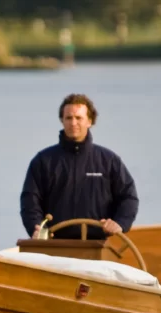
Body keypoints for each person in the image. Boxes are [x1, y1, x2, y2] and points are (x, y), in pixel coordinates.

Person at [20, 93, 139, 241]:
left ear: (89, 121)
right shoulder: (43, 161)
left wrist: (119, 223)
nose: (73, 123)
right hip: (53, 247)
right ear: (62, 120)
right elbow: (30, 200)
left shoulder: (109, 160)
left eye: (78, 118)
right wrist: (35, 227)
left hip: (99, 246)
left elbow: (128, 197)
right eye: (68, 118)